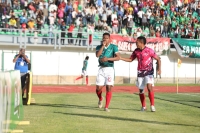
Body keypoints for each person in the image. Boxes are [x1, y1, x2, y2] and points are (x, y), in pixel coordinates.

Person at [120, 36, 161, 112]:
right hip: (140, 73)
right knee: (141, 90)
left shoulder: (149, 51)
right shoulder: (136, 51)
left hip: (149, 72)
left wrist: (159, 68)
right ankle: (143, 106)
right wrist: (121, 58)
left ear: (141, 43)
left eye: (137, 42)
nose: (136, 43)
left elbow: (158, 59)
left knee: (149, 87)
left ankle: (152, 105)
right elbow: (130, 59)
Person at [95, 32, 120, 112]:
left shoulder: (114, 47)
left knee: (109, 87)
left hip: (109, 69)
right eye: (104, 38)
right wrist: (102, 46)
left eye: (106, 38)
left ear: (109, 39)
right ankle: (100, 98)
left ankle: (106, 107)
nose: (105, 39)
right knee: (98, 88)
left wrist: (108, 59)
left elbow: (118, 57)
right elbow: (97, 55)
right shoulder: (99, 46)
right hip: (101, 69)